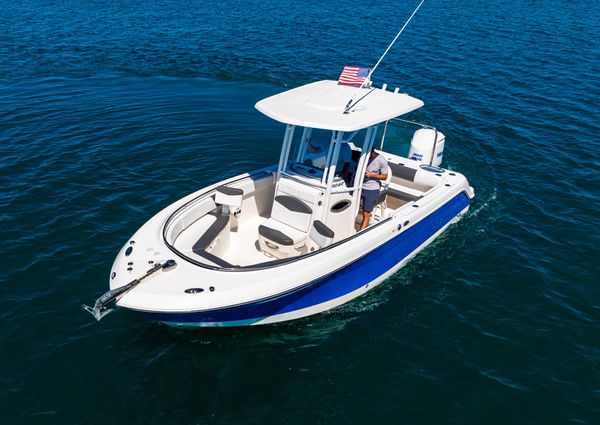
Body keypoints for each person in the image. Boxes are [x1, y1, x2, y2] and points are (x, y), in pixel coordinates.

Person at [359, 148, 389, 230]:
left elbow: (385, 177)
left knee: (366, 214)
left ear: (372, 152)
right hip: (359, 186)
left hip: (372, 189)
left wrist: (372, 175)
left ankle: (359, 235)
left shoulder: (381, 160)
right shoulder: (362, 156)